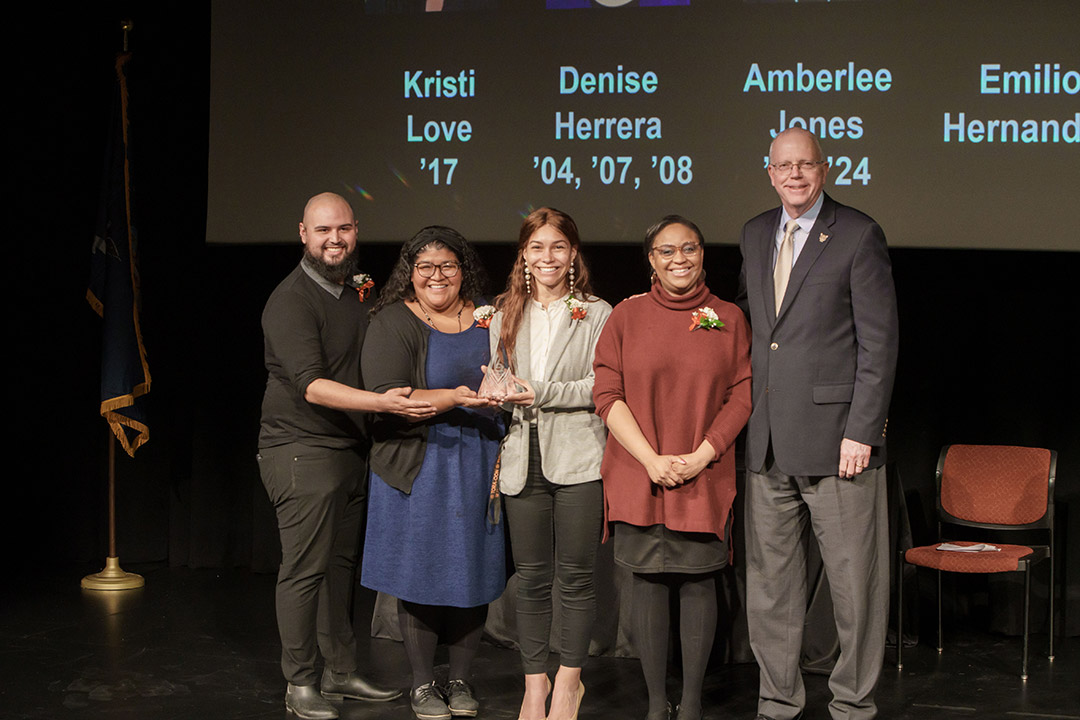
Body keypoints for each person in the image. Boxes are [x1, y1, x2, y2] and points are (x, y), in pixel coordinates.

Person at [737, 127, 899, 720]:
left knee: (854, 586)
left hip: (840, 443)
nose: (795, 176)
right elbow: (761, 334)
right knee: (771, 586)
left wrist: (864, 429)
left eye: (806, 165)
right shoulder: (755, 233)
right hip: (767, 440)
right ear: (770, 172)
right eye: (785, 166)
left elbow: (879, 344)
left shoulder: (858, 234)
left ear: (824, 169)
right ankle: (778, 702)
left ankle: (853, 704)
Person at [257, 192, 435, 720]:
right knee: (305, 570)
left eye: (343, 230)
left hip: (349, 450)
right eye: (322, 231)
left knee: (338, 569)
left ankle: (339, 672)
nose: (334, 240)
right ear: (303, 234)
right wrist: (382, 403)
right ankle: (300, 682)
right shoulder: (290, 299)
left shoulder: (356, 291)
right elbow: (312, 385)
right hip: (300, 449)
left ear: (356, 230)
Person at [593, 216, 752, 720]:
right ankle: (657, 704)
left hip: (702, 472)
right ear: (651, 261)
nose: (679, 259)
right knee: (647, 582)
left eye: (690, 248)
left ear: (703, 254)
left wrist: (703, 455)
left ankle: (692, 705)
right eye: (667, 251)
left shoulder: (728, 317)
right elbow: (606, 393)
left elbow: (742, 394)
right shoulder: (625, 316)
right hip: (639, 470)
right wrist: (650, 460)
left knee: (699, 580)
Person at [360, 226, 505, 720]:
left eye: (447, 266)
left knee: (473, 571)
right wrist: (452, 398)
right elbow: (389, 395)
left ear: (463, 270)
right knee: (420, 573)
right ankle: (423, 684)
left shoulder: (489, 316)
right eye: (425, 267)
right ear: (410, 273)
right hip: (418, 463)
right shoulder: (393, 321)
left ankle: (461, 680)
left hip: (479, 458)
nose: (436, 276)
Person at [487, 208, 612, 720]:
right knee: (532, 580)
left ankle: (568, 685)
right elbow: (500, 381)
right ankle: (534, 686)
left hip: (580, 458)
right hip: (522, 458)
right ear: (524, 255)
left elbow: (600, 386)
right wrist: (495, 392)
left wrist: (539, 392)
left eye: (557, 247)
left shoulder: (596, 312)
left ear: (573, 254)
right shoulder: (502, 314)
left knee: (576, 579)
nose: (547, 257)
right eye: (537, 248)